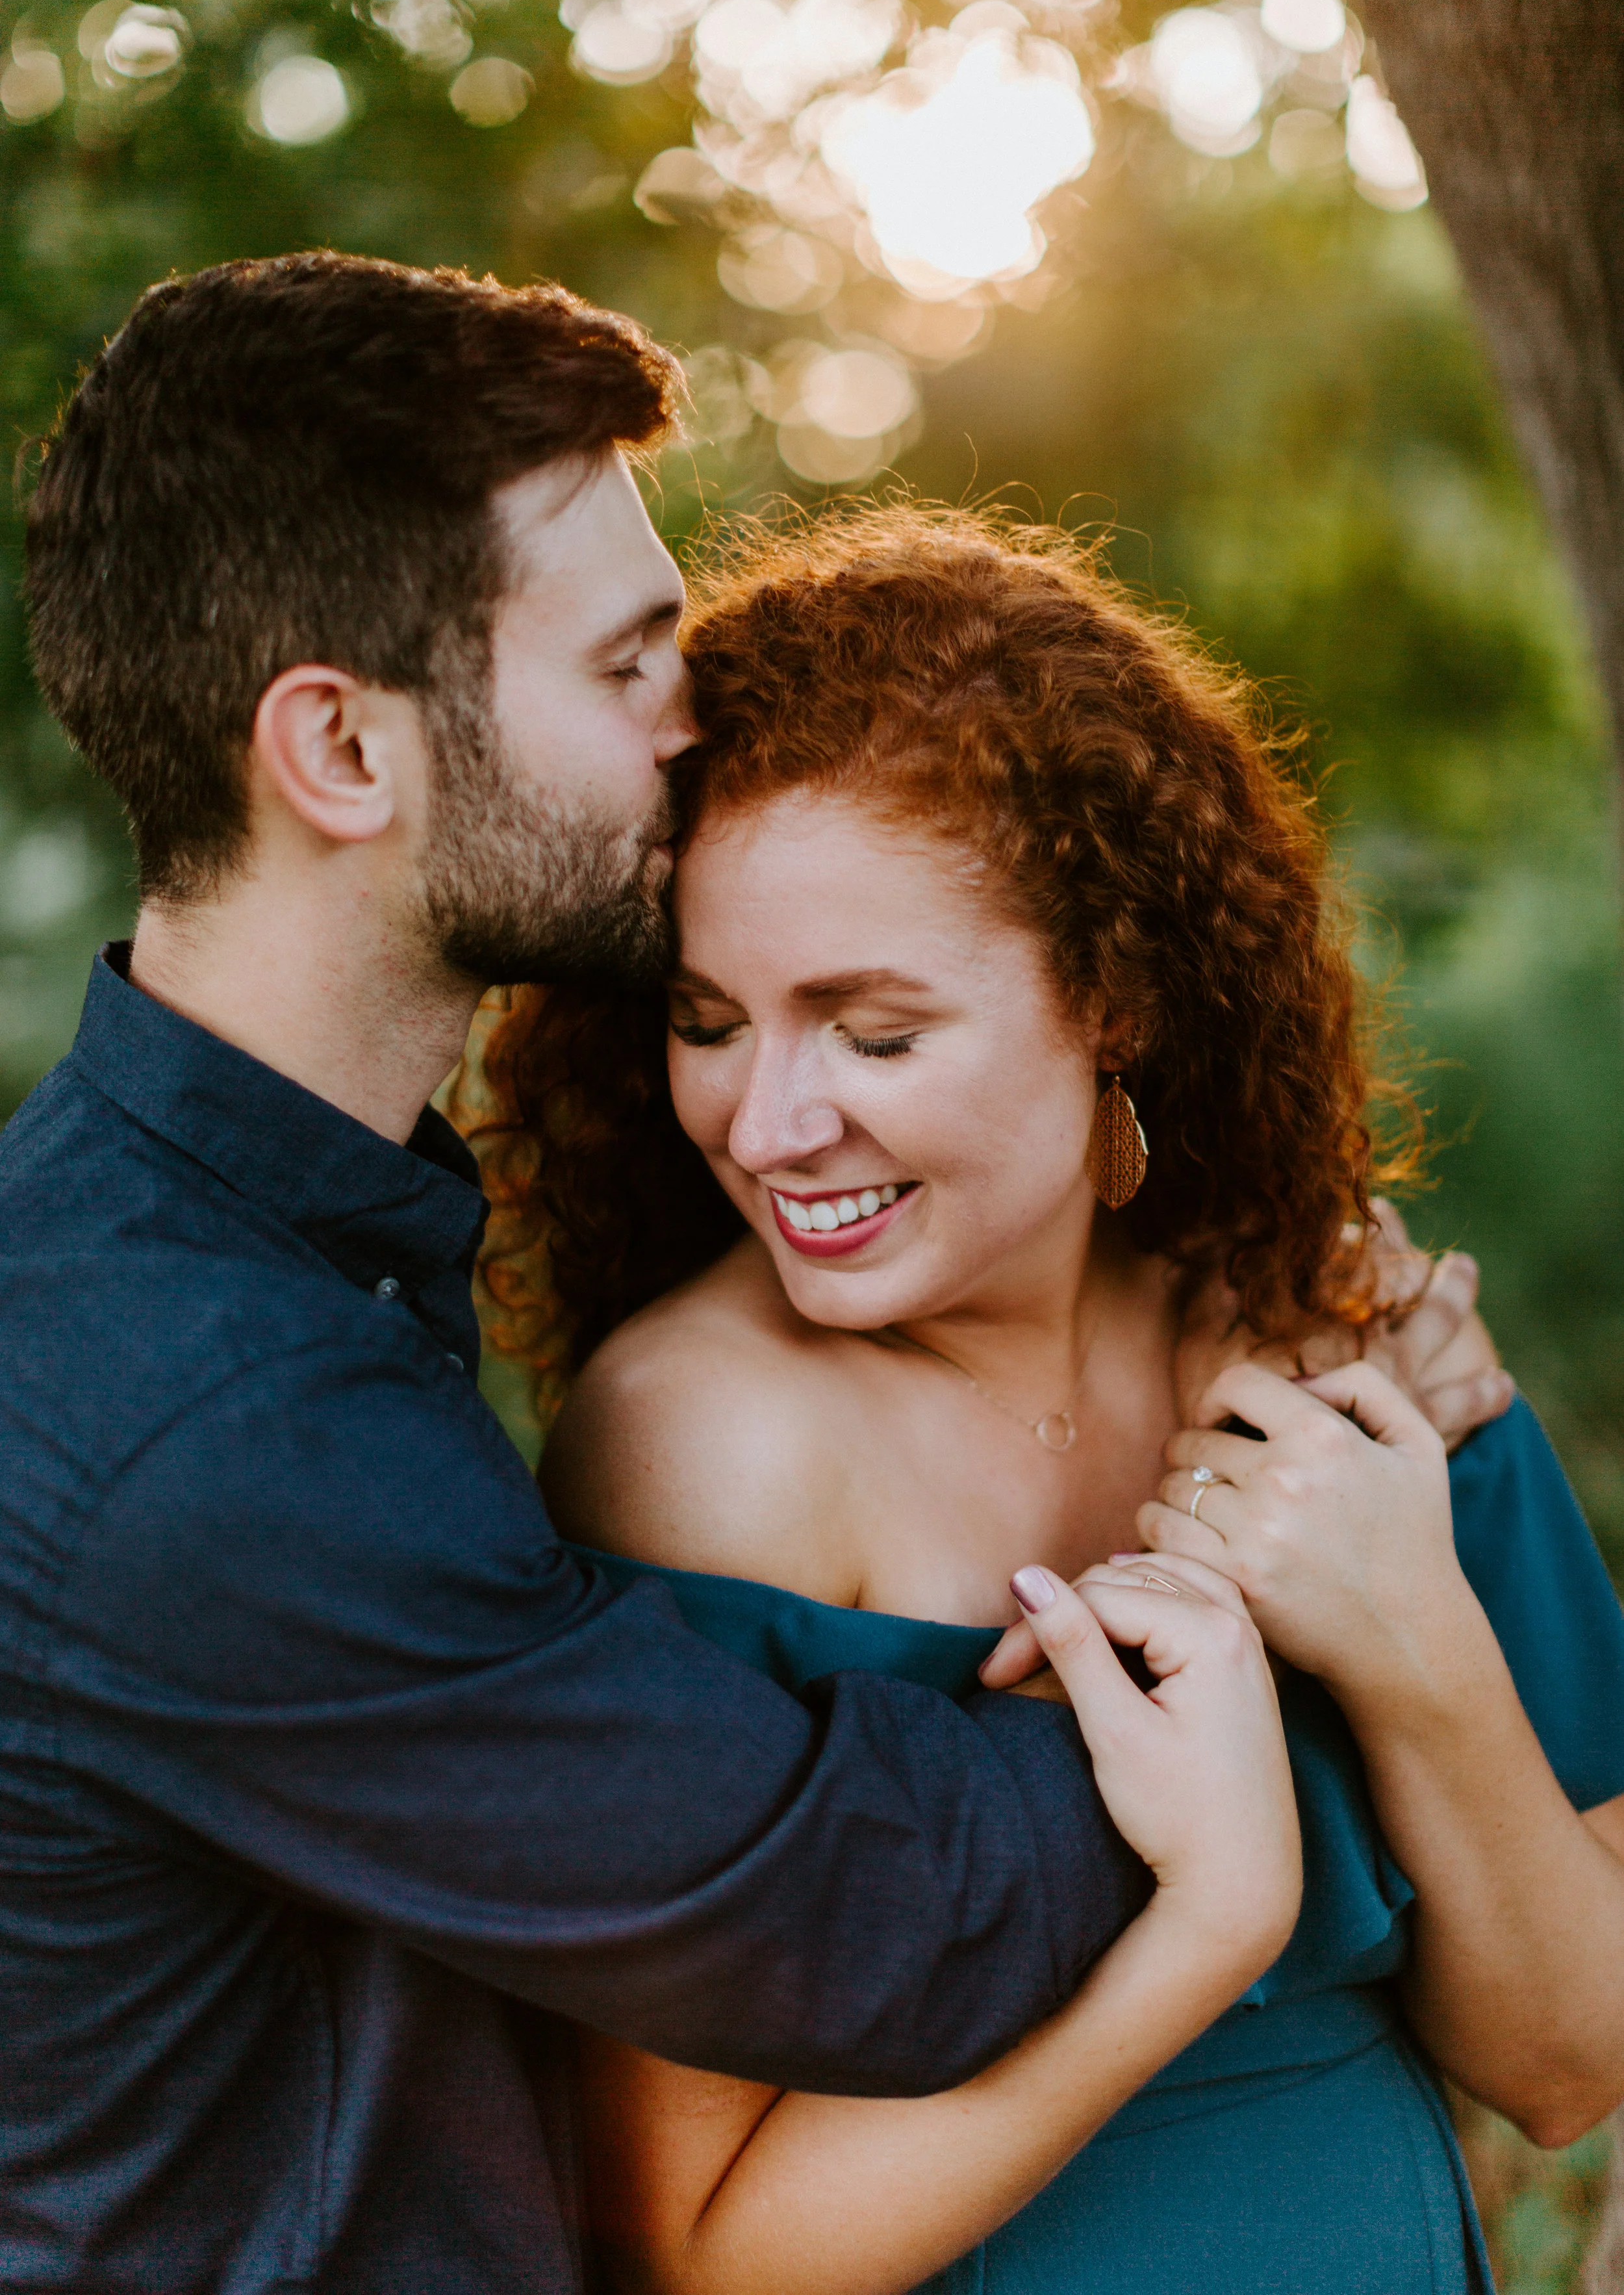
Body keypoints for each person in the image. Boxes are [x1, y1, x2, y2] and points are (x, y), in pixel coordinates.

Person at [0, 254, 1289, 2295]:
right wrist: (1292, 1601)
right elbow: (856, 1918)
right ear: (340, 752)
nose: (687, 723)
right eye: (620, 667)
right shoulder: (195, 1401)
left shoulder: (266, 1244)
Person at [470, 506, 1624, 2295]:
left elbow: (1565, 2066)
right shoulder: (705, 1446)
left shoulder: (1338, 1334)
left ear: (1113, 995)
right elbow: (703, 2256)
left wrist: (1404, 1635)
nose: (766, 1124)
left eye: (872, 1031)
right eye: (708, 1018)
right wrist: (1206, 1917)